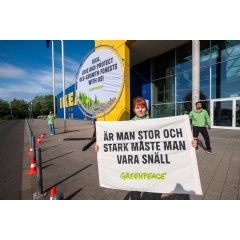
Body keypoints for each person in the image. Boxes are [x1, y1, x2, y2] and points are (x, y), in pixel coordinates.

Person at [95, 96, 197, 200]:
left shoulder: (154, 123)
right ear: (134, 110)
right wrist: (101, 147)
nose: (140, 109)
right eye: (137, 107)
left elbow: (168, 139)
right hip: (134, 166)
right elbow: (115, 142)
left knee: (151, 194)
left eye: (142, 107)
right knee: (135, 194)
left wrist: (189, 143)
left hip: (151, 165)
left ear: (146, 108)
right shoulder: (128, 125)